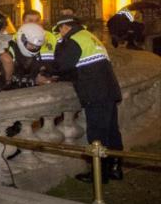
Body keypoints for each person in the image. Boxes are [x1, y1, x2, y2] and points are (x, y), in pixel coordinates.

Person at [53, 18, 124, 184]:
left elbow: (62, 65)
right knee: (112, 133)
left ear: (65, 27)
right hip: (109, 91)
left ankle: (99, 175)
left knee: (97, 135)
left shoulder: (73, 40)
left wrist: (58, 50)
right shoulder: (90, 37)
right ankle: (115, 169)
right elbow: (85, 66)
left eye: (60, 30)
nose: (60, 34)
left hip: (95, 94)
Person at [0, 23, 53, 90]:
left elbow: (43, 68)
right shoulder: (9, 49)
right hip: (9, 92)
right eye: (31, 45)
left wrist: (44, 75)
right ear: (22, 38)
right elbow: (6, 79)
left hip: (28, 92)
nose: (34, 48)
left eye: (37, 46)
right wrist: (33, 80)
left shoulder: (39, 53)